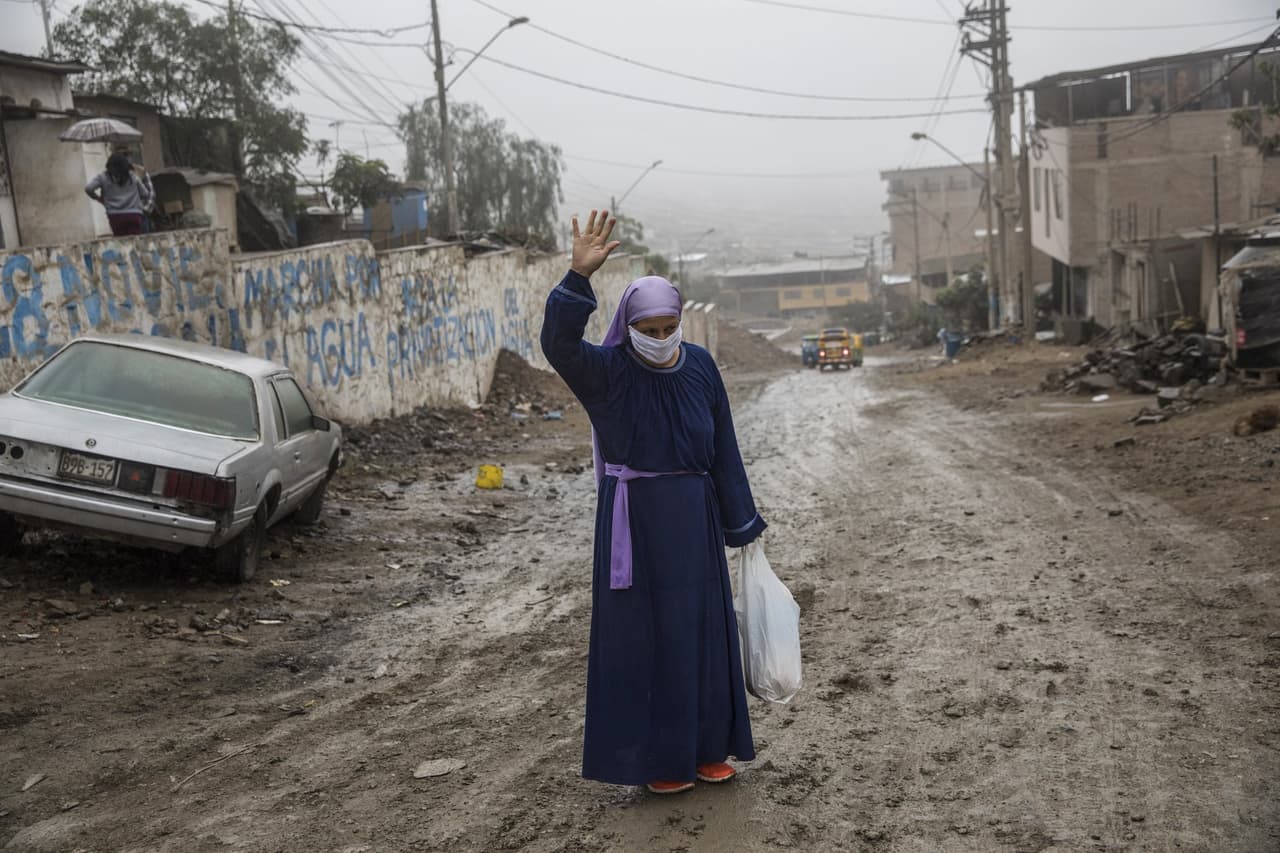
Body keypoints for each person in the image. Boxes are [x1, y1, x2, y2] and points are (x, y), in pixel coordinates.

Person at [541, 209, 766, 795]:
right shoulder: (606, 372)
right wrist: (576, 278)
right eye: (651, 327)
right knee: (647, 638)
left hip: (694, 518)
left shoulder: (703, 369)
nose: (662, 338)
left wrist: (741, 525)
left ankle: (709, 750)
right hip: (633, 524)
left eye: (671, 327)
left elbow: (724, 449)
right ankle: (658, 760)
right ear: (631, 324)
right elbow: (558, 345)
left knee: (701, 632)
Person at [85, 152, 153, 236]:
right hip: (134, 215)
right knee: (135, 241)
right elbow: (145, 194)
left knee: (121, 242)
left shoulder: (103, 177)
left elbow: (88, 188)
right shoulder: (133, 177)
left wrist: (98, 198)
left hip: (115, 216)